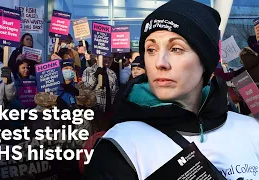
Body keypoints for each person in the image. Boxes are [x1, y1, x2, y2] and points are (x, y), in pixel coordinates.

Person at [84, 1, 259, 180]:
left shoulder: (250, 130)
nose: (160, 62)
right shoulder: (120, 145)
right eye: (151, 49)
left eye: (176, 49)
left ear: (205, 61)